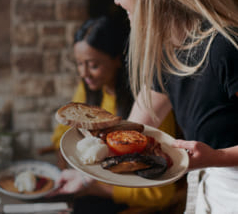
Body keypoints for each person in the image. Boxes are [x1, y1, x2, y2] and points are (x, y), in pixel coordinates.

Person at [111, 0, 237, 213]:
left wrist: (217, 156)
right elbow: (131, 130)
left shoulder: (226, 48)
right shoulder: (171, 52)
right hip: (211, 190)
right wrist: (84, 173)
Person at [50, 16, 179, 213]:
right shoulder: (89, 88)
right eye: (79, 64)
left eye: (93, 65)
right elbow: (61, 133)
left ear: (118, 59)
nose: (84, 74)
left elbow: (159, 193)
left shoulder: (148, 105)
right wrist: (67, 168)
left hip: (127, 200)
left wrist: (91, 185)